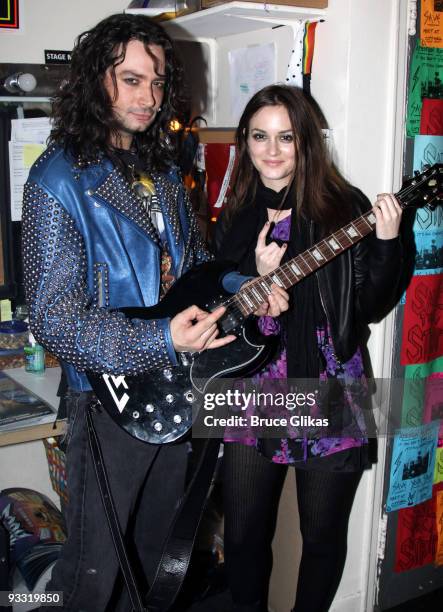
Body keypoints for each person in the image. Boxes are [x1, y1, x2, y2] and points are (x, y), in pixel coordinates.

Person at [21, 14, 288, 612]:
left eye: (157, 82)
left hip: (173, 390)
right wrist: (161, 338)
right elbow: (52, 315)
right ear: (97, 82)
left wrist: (249, 282)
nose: (147, 97)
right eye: (131, 80)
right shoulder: (57, 177)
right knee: (94, 573)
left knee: (156, 558)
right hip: (106, 397)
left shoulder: (163, 171)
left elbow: (194, 263)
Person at [215, 85, 403, 612]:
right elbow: (211, 302)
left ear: (308, 143)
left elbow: (368, 306)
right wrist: (252, 278)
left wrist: (387, 244)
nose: (272, 151)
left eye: (286, 137)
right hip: (250, 384)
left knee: (323, 536)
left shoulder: (346, 207)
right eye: (260, 136)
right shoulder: (236, 211)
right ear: (245, 142)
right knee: (244, 535)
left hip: (329, 380)